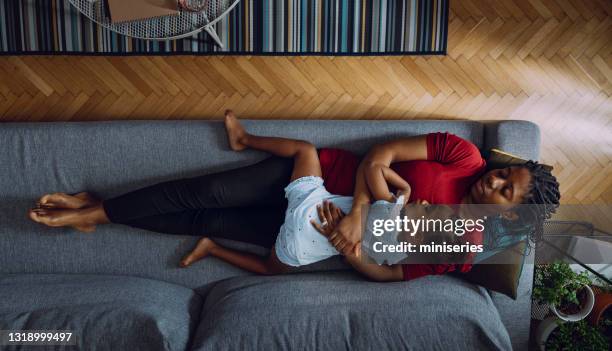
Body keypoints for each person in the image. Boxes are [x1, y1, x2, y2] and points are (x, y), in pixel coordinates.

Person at [28, 112, 561, 281]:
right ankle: (91, 209)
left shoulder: (457, 246)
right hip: (321, 179)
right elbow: (380, 156)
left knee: (203, 217)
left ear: (510, 210)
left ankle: (96, 213)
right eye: (501, 175)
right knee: (208, 188)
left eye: (503, 190)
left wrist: (350, 247)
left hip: (316, 231)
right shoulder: (463, 155)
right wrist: (355, 214)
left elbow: (391, 275)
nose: (491, 180)